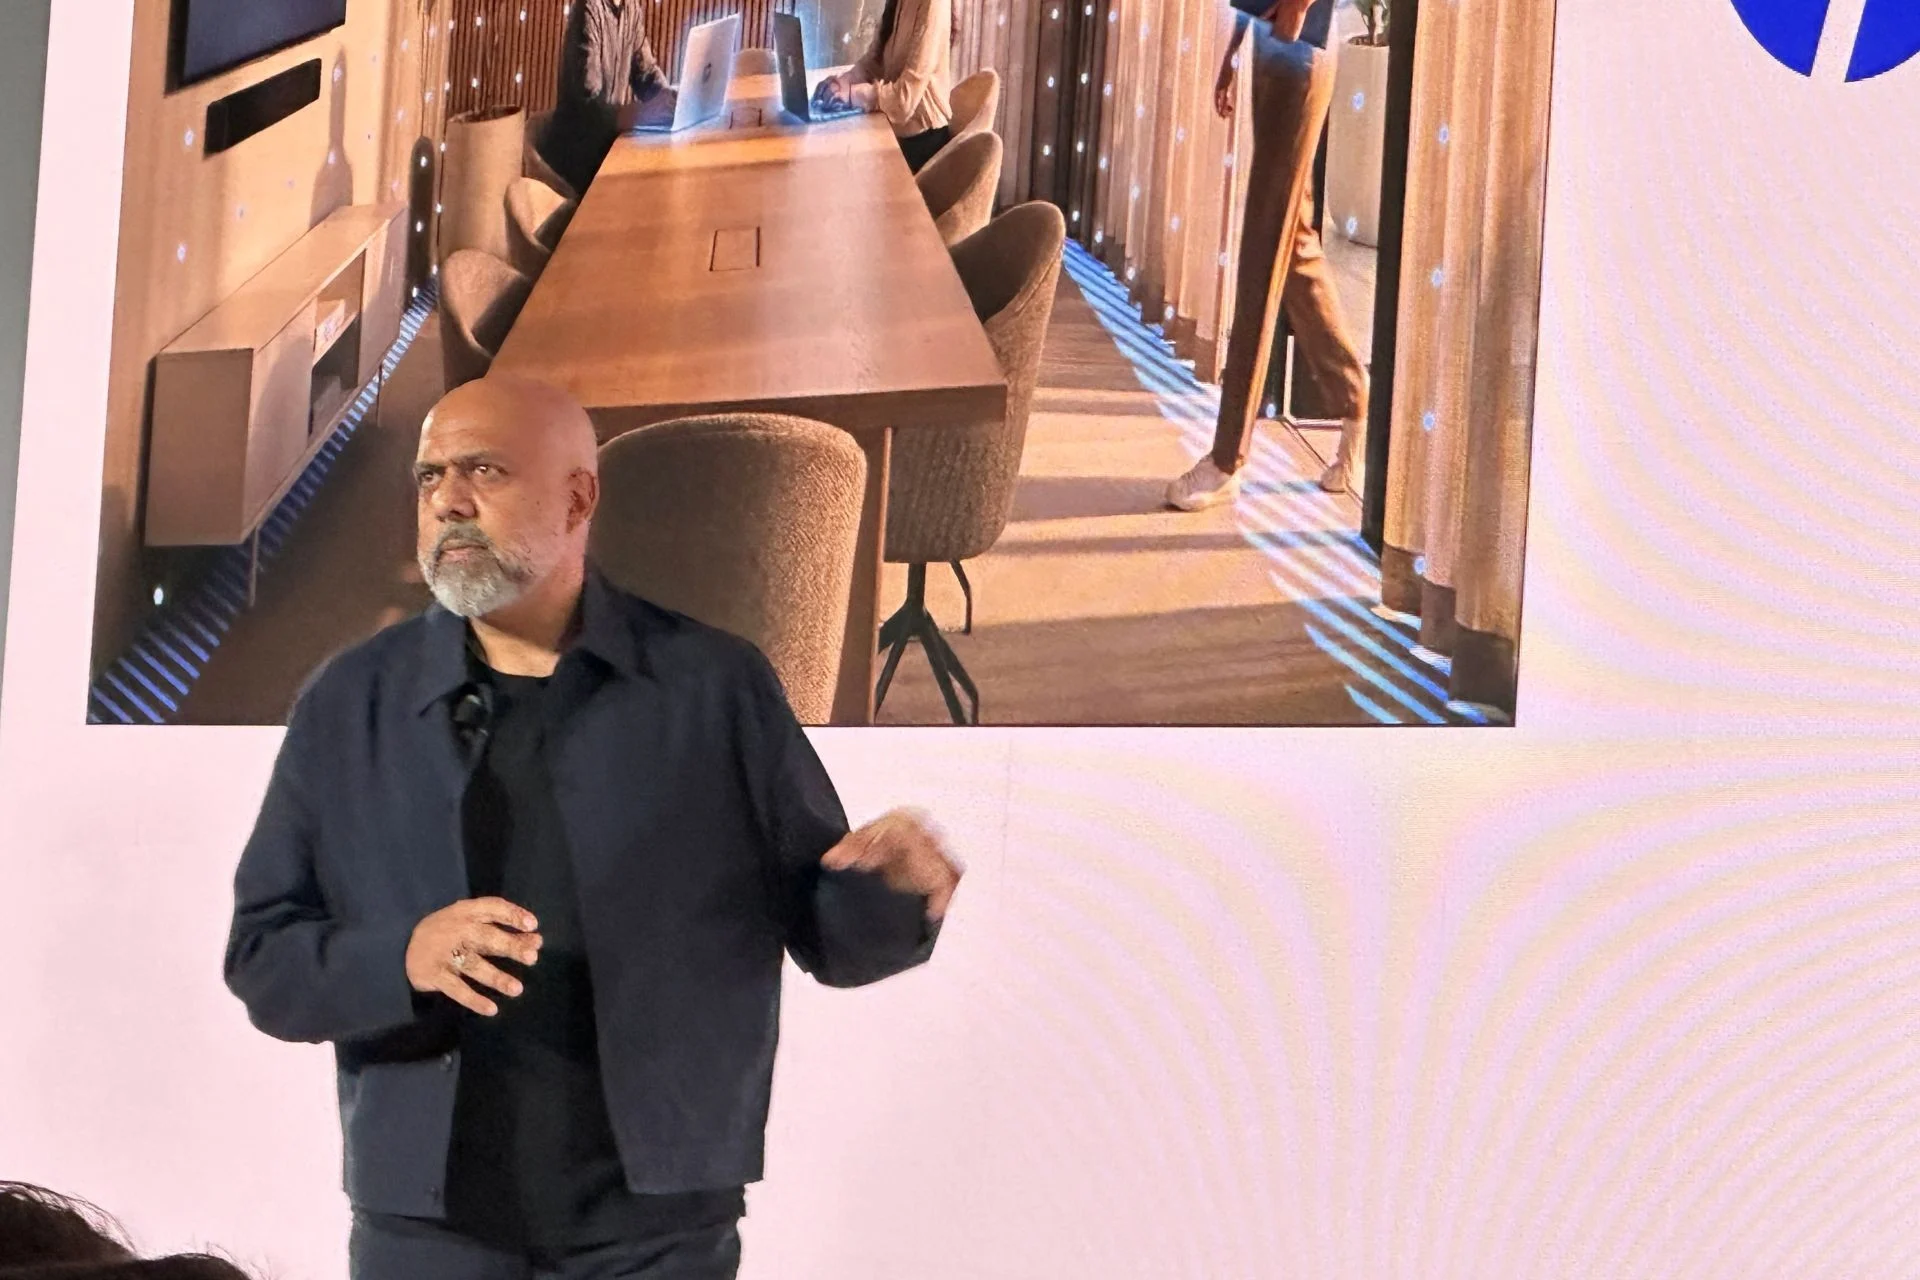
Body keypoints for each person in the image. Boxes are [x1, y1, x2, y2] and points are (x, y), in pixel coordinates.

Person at [223, 374, 963, 1280]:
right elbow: (265, 959)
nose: (448, 501)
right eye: (429, 477)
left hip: (657, 1231)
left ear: (578, 498)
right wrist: (404, 959)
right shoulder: (352, 701)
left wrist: (893, 896)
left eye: (484, 471)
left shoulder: (711, 689)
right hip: (425, 1228)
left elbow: (828, 934)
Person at [1165, 0, 1371, 511]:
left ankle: (1227, 459)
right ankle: (1353, 398)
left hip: (1299, 47)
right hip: (1270, 39)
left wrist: (1298, 8)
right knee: (1294, 242)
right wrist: (1237, 46)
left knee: (1263, 249)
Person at [535, 0, 677, 196]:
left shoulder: (630, 8)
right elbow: (588, 108)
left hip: (606, 147)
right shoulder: (588, 9)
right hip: (578, 157)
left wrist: (670, 100)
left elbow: (646, 74)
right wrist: (637, 114)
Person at [817, 0, 956, 172]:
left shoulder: (933, 4)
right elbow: (874, 63)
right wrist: (843, 83)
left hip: (922, 144)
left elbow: (904, 101)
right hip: (892, 131)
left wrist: (853, 95)